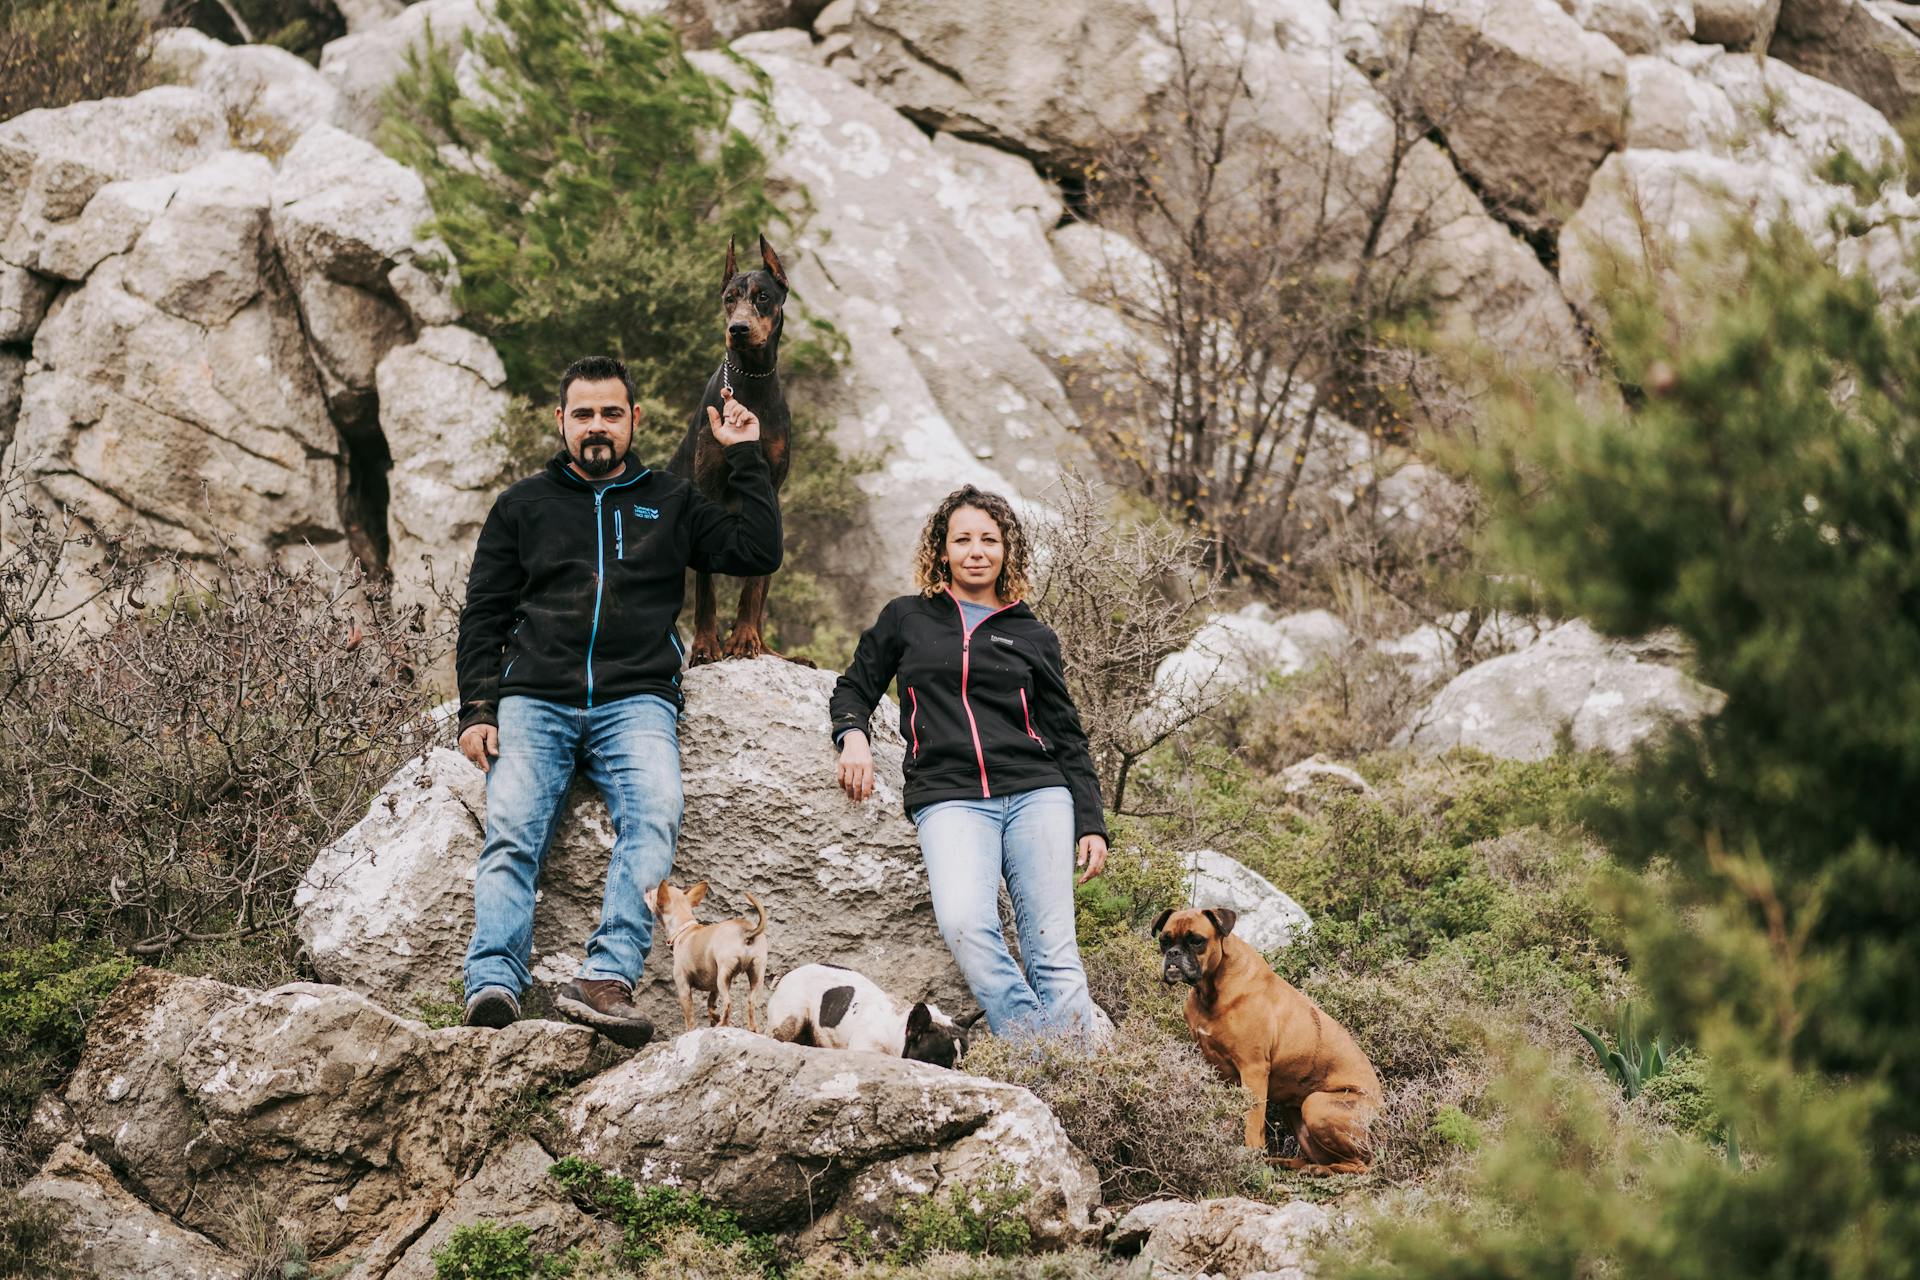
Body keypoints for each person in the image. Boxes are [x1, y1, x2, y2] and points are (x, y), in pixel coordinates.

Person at [455, 355, 781, 1047]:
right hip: (535, 699)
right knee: (513, 830)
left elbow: (756, 550)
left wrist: (746, 456)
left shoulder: (670, 499)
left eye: (610, 413)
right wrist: (476, 710)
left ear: (635, 419)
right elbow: (483, 613)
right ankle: (492, 981)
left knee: (656, 815)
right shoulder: (522, 505)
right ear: (561, 422)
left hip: (636, 700)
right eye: (583, 415)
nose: (596, 427)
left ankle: (605, 977)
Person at [828, 485, 1108, 1038]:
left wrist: (1091, 821)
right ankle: (1038, 1053)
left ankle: (1080, 1080)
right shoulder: (907, 618)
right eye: (962, 540)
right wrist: (853, 738)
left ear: (1008, 551)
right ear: (941, 550)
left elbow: (1066, 735)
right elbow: (853, 687)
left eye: (989, 539)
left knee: (1053, 951)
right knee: (966, 925)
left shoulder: (1031, 633)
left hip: (1037, 794)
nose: (976, 550)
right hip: (949, 796)